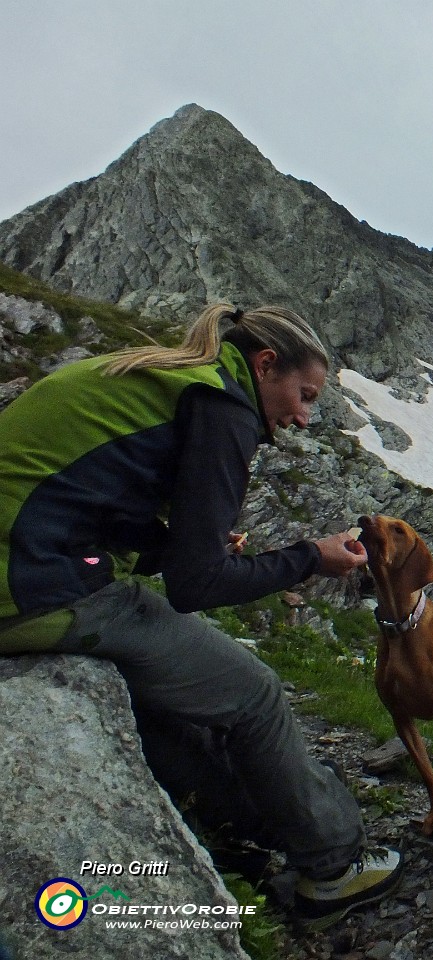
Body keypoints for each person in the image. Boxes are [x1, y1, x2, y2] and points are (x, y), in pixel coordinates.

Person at [0, 303, 403, 928]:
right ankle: (335, 864)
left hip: (25, 567)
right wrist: (309, 558)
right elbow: (197, 586)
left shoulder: (179, 381)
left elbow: (91, 494)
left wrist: (178, 544)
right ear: (265, 365)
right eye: (304, 395)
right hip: (29, 585)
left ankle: (238, 825)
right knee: (254, 694)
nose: (303, 416)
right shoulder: (224, 408)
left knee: (166, 703)